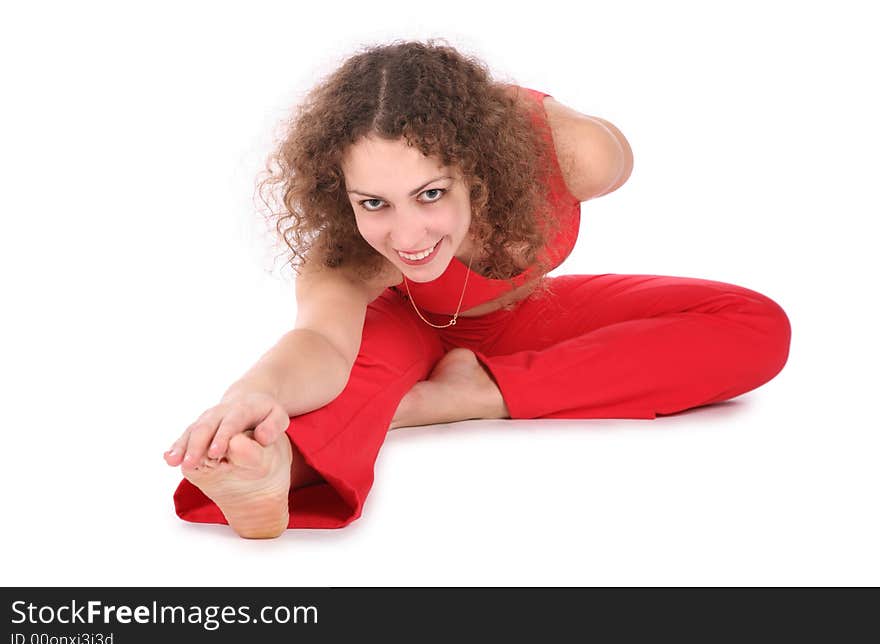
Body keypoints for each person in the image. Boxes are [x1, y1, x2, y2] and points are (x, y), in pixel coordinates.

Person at [163, 39, 791, 539]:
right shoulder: (349, 252)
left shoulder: (569, 156)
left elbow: (605, 153)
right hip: (408, 323)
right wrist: (254, 393)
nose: (405, 235)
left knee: (754, 324)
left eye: (430, 193)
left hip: (523, 314)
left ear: (480, 166)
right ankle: (279, 468)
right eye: (374, 202)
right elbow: (321, 342)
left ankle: (470, 395)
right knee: (359, 373)